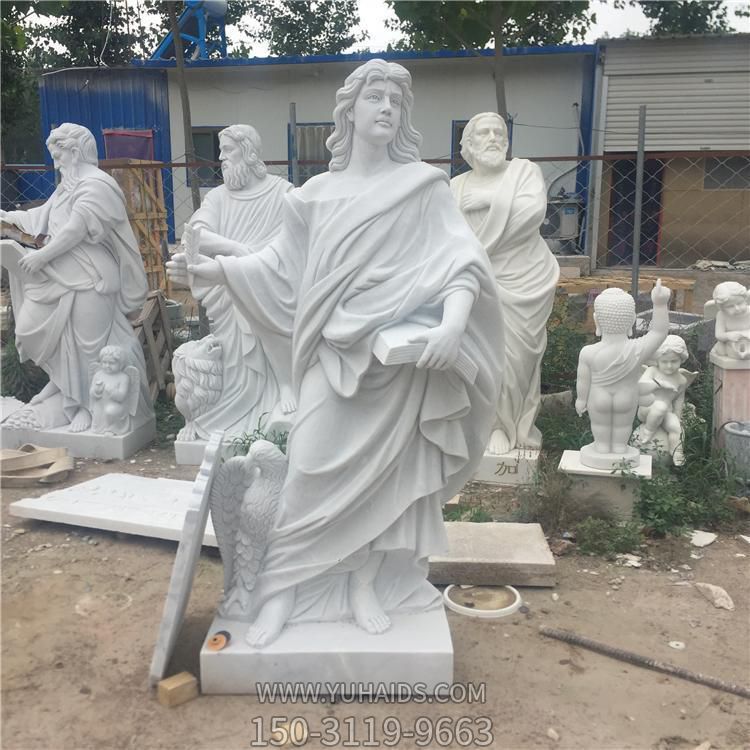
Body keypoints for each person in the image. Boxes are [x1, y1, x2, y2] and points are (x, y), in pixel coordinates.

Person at [180, 59, 503, 647]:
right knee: (306, 469)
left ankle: (363, 586)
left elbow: (461, 263)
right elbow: (279, 268)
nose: (387, 108)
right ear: (349, 110)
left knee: (384, 487)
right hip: (335, 358)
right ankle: (280, 591)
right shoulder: (314, 196)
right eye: (375, 96)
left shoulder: (423, 186)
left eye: (396, 101)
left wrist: (453, 326)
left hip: (398, 370)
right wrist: (219, 271)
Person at [1, 123, 149, 432]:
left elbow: (75, 229)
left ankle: (85, 405)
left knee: (87, 346)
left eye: (59, 156)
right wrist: (8, 219)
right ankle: (63, 386)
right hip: (59, 274)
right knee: (29, 329)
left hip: (91, 277)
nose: (56, 163)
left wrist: (42, 256)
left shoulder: (98, 185)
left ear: (76, 151)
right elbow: (41, 217)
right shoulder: (66, 187)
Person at [168, 124, 294, 439]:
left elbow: (294, 243)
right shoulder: (218, 197)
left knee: (264, 316)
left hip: (270, 281)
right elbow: (195, 234)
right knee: (237, 357)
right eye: (221, 151)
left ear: (248, 152)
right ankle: (239, 410)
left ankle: (283, 390)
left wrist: (253, 264)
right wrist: (237, 251)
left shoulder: (282, 192)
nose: (221, 157)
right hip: (227, 286)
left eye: (227, 150)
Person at [451, 112, 559, 455]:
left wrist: (488, 201)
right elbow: (448, 233)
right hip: (475, 280)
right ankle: (477, 423)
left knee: (516, 357)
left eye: (499, 132)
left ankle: (504, 424)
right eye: (484, 133)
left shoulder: (523, 172)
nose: (493, 138)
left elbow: (531, 214)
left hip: (524, 278)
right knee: (476, 353)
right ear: (469, 145)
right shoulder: (456, 186)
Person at [575, 282, 671, 467]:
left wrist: (581, 400)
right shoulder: (637, 349)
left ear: (596, 321)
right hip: (626, 397)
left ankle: (602, 448)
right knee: (623, 426)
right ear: (632, 320)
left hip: (598, 397)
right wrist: (660, 304)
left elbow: (583, 381)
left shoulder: (588, 352)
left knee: (600, 425)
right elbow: (659, 332)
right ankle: (620, 448)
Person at [636, 335, 696, 466]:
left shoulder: (681, 380)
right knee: (660, 407)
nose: (669, 366)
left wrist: (677, 417)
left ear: (681, 359)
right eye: (664, 362)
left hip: (666, 413)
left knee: (676, 427)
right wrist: (661, 384)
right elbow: (642, 385)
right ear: (657, 360)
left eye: (674, 361)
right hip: (647, 410)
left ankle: (676, 451)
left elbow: (678, 401)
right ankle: (648, 430)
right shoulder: (652, 371)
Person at [712, 281, 750, 360]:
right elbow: (719, 335)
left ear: (745, 300)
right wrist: (728, 336)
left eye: (739, 303)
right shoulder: (722, 315)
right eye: (730, 306)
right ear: (722, 308)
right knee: (721, 350)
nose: (737, 308)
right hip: (730, 343)